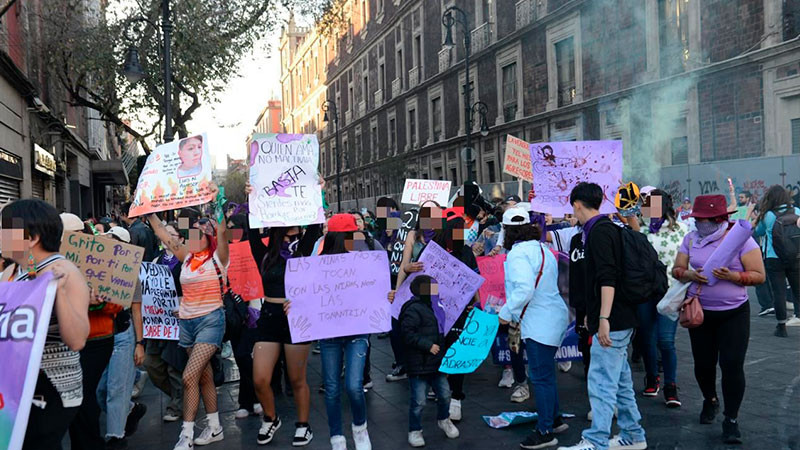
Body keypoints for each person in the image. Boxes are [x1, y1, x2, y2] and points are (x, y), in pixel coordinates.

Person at [558, 183, 647, 450]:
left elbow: (608, 278)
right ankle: (634, 435)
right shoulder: (606, 229)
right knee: (620, 383)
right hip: (619, 316)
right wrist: (593, 315)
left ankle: (596, 441)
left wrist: (603, 319)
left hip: (614, 319)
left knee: (601, 382)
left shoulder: (599, 232)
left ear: (576, 205)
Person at [672, 194, 765, 444]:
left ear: (721, 218)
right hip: (700, 312)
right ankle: (710, 398)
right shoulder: (691, 239)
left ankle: (731, 419)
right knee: (703, 364)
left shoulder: (740, 240)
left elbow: (759, 275)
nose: (703, 224)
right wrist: (690, 274)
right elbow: (676, 270)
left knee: (732, 365)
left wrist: (733, 276)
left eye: (708, 219)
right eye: (699, 219)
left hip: (734, 313)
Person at [0, 199, 90, 450]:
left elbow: (77, 340)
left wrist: (58, 293)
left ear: (32, 237)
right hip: (15, 387)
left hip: (52, 387)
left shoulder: (64, 272)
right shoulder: (12, 272)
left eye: (6, 230)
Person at [147, 186, 230, 450]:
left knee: (188, 376)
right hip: (187, 324)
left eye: (199, 236)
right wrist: (149, 213)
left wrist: (217, 201)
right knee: (203, 377)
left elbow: (224, 229)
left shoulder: (218, 259)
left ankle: (186, 434)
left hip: (211, 321)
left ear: (209, 239)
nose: (192, 239)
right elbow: (162, 234)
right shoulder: (186, 259)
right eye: (190, 235)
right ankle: (215, 427)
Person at [245, 180, 323, 447]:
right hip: (269, 317)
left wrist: (316, 190)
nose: (293, 233)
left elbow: (315, 224)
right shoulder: (265, 253)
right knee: (260, 378)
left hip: (298, 319)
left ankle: (303, 425)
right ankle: (271, 418)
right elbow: (251, 229)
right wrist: (252, 198)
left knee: (296, 378)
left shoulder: (304, 249)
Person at [499, 207, 569, 449]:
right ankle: (555, 419)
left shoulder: (518, 254)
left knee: (540, 377)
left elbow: (524, 290)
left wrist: (504, 314)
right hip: (552, 316)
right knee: (546, 374)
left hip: (539, 321)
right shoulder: (543, 249)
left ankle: (545, 431)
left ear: (508, 231)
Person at [314, 214, 378, 450]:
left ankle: (360, 428)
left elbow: (375, 288)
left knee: (353, 385)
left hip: (357, 331)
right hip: (329, 333)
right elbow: (307, 291)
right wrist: (296, 303)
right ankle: (336, 436)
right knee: (331, 388)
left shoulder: (365, 258)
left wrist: (385, 295)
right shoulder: (319, 261)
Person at [626, 190, 687, 407]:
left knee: (666, 341)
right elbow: (626, 215)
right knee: (646, 339)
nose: (647, 208)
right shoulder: (641, 230)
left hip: (670, 293)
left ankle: (671, 385)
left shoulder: (682, 230)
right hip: (644, 292)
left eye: (651, 204)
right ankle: (652, 378)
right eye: (645, 205)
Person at [63, 216, 117, 450]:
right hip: (68, 342)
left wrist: (96, 302)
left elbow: (117, 304)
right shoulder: (53, 263)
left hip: (97, 339)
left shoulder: (101, 259)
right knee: (75, 399)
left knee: (83, 397)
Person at [95, 226, 147, 448]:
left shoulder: (130, 274)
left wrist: (139, 343)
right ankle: (130, 410)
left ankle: (116, 436)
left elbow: (137, 310)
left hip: (123, 335)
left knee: (116, 388)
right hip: (102, 335)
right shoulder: (95, 269)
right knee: (101, 391)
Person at [399, 275, 460, 448]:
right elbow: (407, 334)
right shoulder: (412, 309)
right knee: (419, 401)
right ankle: (415, 430)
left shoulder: (436, 307)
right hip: (419, 364)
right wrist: (427, 346)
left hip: (436, 363)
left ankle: (444, 419)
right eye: (432, 288)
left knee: (445, 395)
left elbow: (441, 333)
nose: (436, 291)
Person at [143, 222, 187, 422]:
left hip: (178, 320)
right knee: (152, 364)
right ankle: (184, 397)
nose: (166, 237)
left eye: (171, 233)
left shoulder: (185, 261)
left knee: (174, 365)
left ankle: (177, 405)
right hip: (157, 321)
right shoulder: (155, 260)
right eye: (164, 233)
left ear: (180, 238)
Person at [753, 185, 800, 334]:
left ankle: (781, 326)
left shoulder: (768, 215)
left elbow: (758, 231)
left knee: (778, 292)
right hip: (796, 256)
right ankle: (798, 315)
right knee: (797, 289)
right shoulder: (797, 211)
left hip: (774, 258)